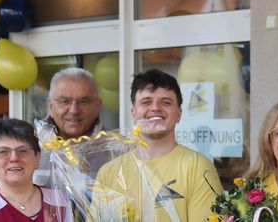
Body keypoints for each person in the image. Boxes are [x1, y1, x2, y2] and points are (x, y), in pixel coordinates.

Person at [93, 69, 223, 222]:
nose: (155, 108)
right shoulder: (109, 173)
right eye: (146, 102)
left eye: (166, 102)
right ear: (133, 113)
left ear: (179, 114)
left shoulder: (198, 168)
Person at [0, 118, 73, 222]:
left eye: (22, 151)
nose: (14, 158)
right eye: (3, 152)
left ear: (37, 158)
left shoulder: (62, 202)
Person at [34, 67, 105, 186]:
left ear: (98, 106)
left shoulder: (116, 149)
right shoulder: (30, 146)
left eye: (83, 101)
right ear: (51, 106)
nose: (74, 110)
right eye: (65, 101)